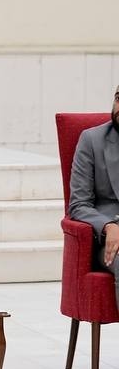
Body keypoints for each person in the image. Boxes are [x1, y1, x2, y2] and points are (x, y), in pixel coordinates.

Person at [67, 84, 119, 304]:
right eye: (118, 98)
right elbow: (78, 204)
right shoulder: (91, 140)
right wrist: (109, 225)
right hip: (110, 240)